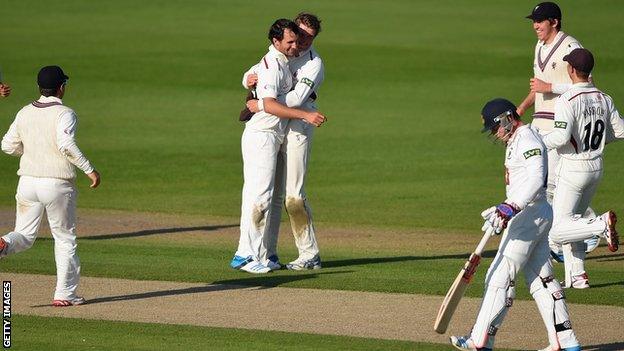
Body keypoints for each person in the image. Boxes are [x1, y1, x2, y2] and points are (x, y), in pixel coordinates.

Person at [450, 98, 580, 351]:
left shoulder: (527, 139)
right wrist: (504, 207)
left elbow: (535, 179)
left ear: (508, 118)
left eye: (495, 127)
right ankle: (565, 342)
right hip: (530, 215)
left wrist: (512, 207)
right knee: (542, 280)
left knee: (498, 276)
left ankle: (480, 341)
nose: (495, 134)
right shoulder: (516, 140)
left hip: (529, 217)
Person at [230, 19, 326, 274]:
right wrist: (249, 82)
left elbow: (296, 98)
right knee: (262, 194)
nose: (301, 42)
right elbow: (252, 73)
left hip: (296, 128)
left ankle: (305, 253)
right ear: (285, 36)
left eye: (307, 37)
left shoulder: (313, 64)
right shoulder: (280, 55)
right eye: (296, 36)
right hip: (271, 127)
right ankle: (256, 253)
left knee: (291, 195)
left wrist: (261, 102)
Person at [0, 65, 100, 306]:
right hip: (56, 184)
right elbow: (65, 144)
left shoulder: (24, 112)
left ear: (39, 88)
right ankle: (65, 294)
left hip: (27, 183)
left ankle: (3, 245)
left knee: (24, 235)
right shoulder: (65, 113)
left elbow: (7, 145)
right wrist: (89, 169)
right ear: (62, 87)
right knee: (65, 238)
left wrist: (34, 151)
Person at [516, 1, 596, 289]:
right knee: (542, 185)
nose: (535, 26)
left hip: (560, 126)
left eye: (540, 22)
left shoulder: (571, 46)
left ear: (554, 22)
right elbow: (538, 86)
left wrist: (549, 89)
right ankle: (568, 248)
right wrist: (522, 108)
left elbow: (586, 83)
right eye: (533, 22)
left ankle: (588, 227)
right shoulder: (538, 47)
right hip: (540, 121)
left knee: (556, 188)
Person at [542, 48, 622, 269]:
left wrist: (538, 141)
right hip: (596, 167)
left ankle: (600, 224)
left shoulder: (567, 99)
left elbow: (560, 137)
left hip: (573, 167)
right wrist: (598, 141)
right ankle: (577, 276)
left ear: (571, 70)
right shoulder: (604, 98)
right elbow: (621, 131)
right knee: (573, 222)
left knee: (558, 230)